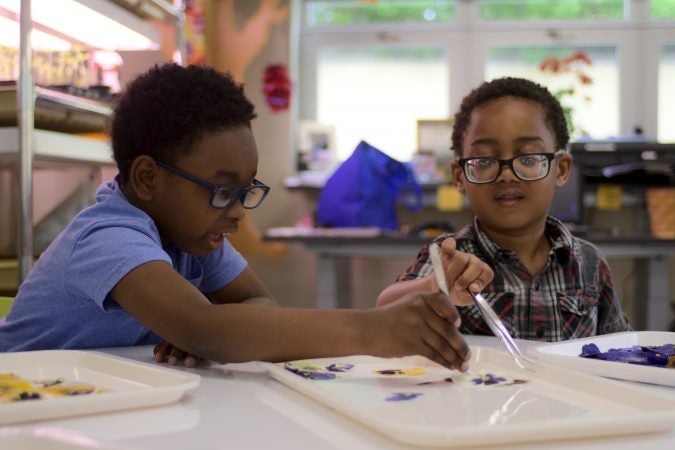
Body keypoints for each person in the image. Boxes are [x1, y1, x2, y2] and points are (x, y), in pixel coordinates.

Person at [0, 63, 470, 372]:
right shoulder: (107, 236)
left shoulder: (192, 234)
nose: (238, 213)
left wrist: (211, 330)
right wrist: (375, 329)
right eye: (224, 191)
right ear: (146, 179)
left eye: (245, 191)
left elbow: (259, 307)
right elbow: (208, 330)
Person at [377, 77, 631, 341]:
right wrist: (435, 285)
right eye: (484, 160)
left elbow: (617, 347)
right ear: (460, 176)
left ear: (561, 169)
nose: (507, 175)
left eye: (529, 158)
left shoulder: (588, 262)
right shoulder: (450, 259)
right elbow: (385, 310)